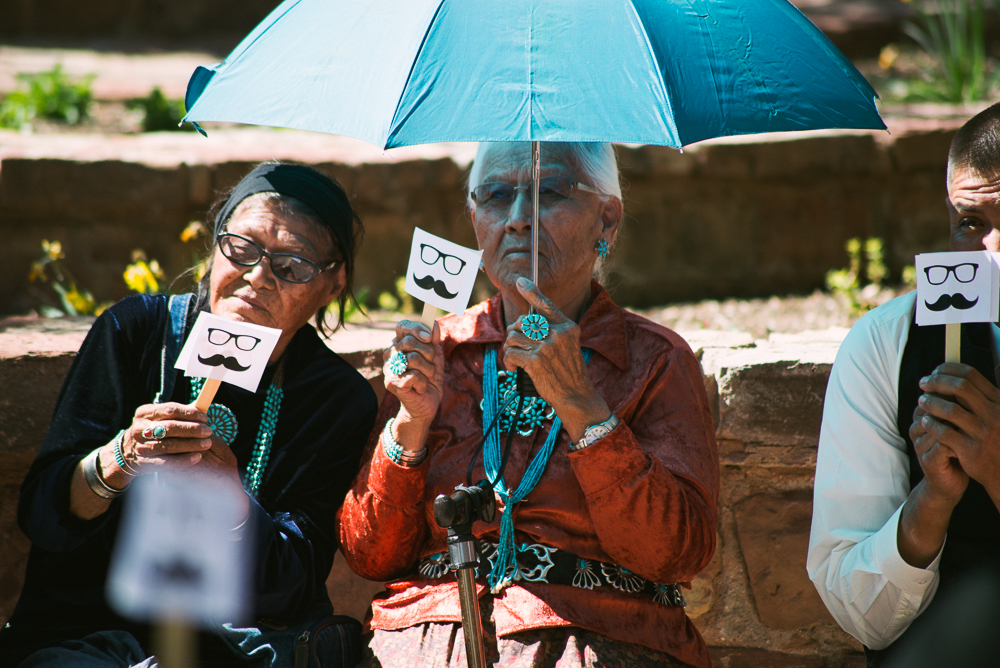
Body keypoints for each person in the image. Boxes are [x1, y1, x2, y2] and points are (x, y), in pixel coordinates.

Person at [339, 142, 720, 668]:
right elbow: (368, 553)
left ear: (606, 220)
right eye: (496, 195)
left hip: (598, 641)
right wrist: (411, 422)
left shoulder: (652, 359)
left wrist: (582, 404)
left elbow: (676, 553)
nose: (518, 219)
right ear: (475, 218)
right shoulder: (438, 352)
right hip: (426, 641)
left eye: (549, 193)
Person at [0, 163, 378, 667]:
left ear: (334, 284)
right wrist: (118, 461)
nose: (258, 276)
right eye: (240, 249)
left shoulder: (335, 398)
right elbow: (43, 515)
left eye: (291, 265)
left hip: (229, 650)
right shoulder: (134, 333)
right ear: (213, 247)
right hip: (87, 634)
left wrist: (231, 502)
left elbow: (293, 585)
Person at [808, 102, 1000, 667]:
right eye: (972, 223)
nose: (990, 251)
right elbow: (857, 611)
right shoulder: (886, 345)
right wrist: (930, 503)